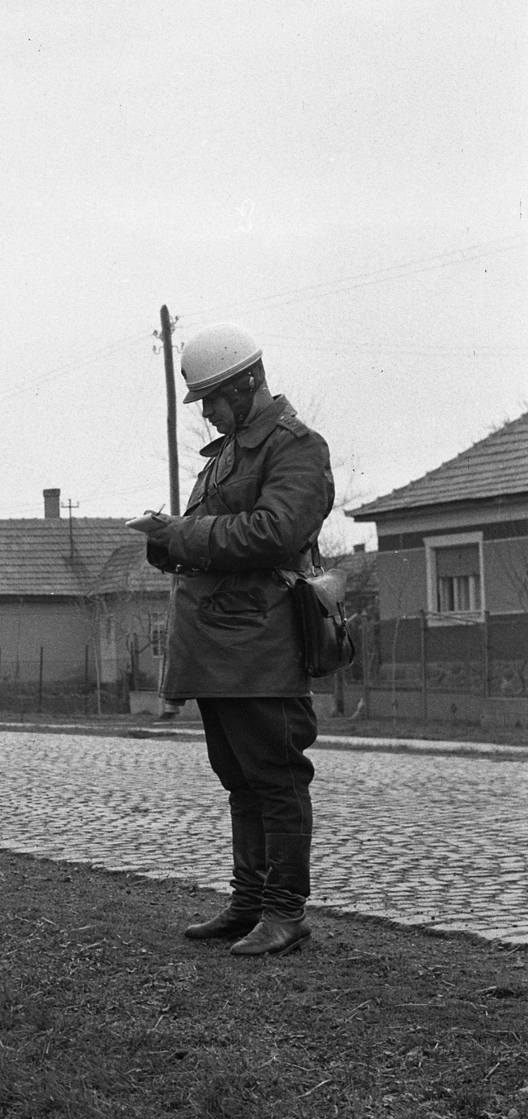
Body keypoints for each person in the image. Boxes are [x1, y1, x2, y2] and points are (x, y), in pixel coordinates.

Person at [133, 323, 334, 957]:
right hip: (221, 643)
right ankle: (250, 902)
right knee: (240, 779)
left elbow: (275, 533)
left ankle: (285, 912)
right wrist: (164, 541)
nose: (209, 413)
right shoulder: (228, 454)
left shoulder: (296, 447)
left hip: (260, 644)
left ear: (248, 383)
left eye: (214, 400)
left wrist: (181, 537)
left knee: (276, 777)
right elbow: (211, 536)